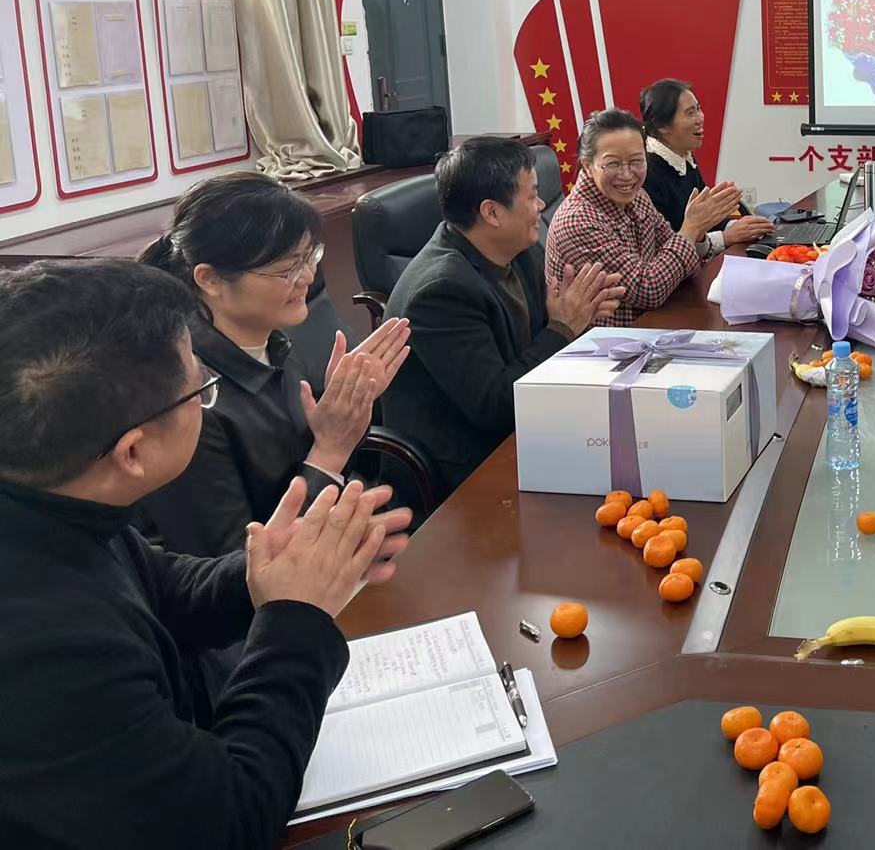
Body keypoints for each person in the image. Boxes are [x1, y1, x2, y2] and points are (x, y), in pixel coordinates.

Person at [0, 259, 412, 849]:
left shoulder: (56, 500)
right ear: (133, 452)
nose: (207, 397)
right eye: (201, 388)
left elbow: (161, 589)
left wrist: (275, 569)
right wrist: (296, 619)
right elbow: (231, 819)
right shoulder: (43, 653)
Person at [132, 172, 412, 557]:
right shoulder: (188, 402)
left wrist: (349, 410)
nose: (308, 277)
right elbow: (232, 564)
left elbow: (311, 464)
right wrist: (330, 447)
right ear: (210, 279)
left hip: (328, 551)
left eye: (310, 257)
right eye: (287, 269)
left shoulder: (276, 344)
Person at [384, 136, 623, 492]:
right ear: (492, 213)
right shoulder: (440, 292)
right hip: (467, 467)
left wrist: (577, 316)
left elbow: (541, 339)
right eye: (532, 196)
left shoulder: (519, 250)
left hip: (525, 429)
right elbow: (496, 405)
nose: (541, 206)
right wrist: (563, 328)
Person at [547, 109, 743, 325]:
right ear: (587, 165)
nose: (627, 175)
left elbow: (680, 260)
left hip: (652, 323)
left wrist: (698, 232)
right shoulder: (578, 221)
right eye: (613, 163)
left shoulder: (638, 196)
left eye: (636, 161)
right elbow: (648, 289)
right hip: (612, 340)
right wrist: (691, 228)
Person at [639, 77, 774, 248]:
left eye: (698, 109)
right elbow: (668, 246)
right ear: (662, 125)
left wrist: (739, 226)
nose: (700, 119)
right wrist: (726, 237)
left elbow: (706, 222)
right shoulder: (647, 174)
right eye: (690, 113)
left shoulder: (683, 157)